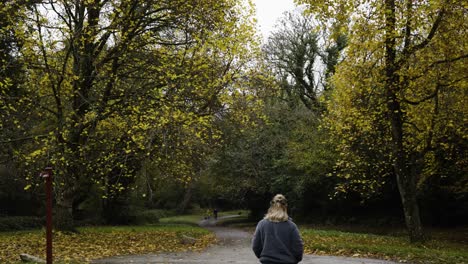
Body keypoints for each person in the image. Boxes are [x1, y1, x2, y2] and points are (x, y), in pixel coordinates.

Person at [252, 194, 303, 264]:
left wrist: (263, 257)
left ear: (272, 206)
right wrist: (295, 260)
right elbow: (298, 248)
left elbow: (256, 246)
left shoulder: (262, 224)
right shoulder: (291, 226)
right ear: (285, 207)